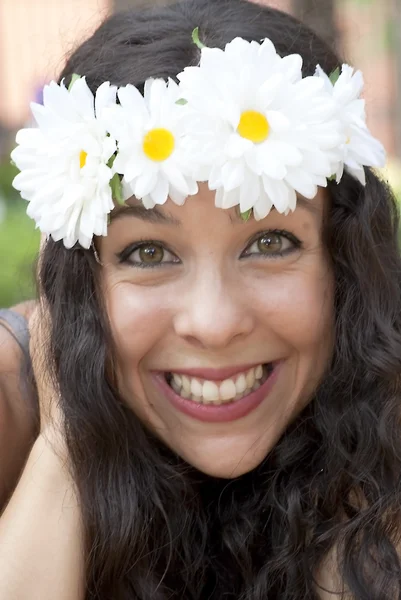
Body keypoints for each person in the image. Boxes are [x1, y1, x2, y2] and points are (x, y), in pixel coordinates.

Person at [0, 0, 400, 597]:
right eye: (149, 254)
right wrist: (64, 443)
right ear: (79, 277)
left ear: (343, 263)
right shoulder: (10, 397)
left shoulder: (381, 400)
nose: (213, 324)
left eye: (270, 241)